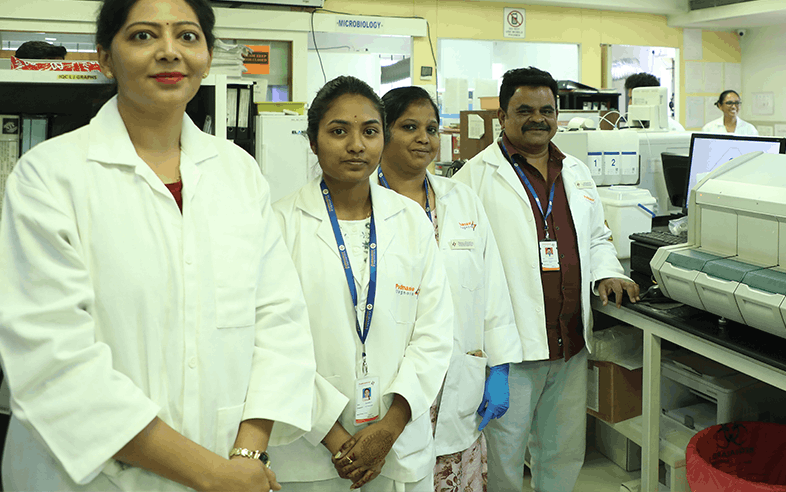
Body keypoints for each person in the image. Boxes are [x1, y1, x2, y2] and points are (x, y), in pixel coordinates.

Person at [0, 0, 316, 492]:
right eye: (143, 35)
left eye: (188, 36)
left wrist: (246, 454)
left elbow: (279, 319)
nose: (169, 51)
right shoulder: (49, 175)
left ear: (206, 57)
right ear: (105, 58)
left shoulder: (239, 172)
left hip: (231, 463)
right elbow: (53, 359)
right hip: (93, 479)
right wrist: (212, 474)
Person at [452, 66, 641, 492]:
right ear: (502, 116)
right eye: (524, 110)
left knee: (563, 452)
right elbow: (463, 269)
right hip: (510, 351)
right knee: (503, 456)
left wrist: (608, 271)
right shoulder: (472, 180)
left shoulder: (575, 170)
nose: (537, 118)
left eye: (546, 110)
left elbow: (596, 236)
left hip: (570, 343)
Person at [270, 76, 453, 492]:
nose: (356, 145)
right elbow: (273, 342)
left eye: (370, 132)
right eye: (339, 132)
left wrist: (390, 427)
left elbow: (435, 330)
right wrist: (333, 436)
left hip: (398, 443)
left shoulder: (411, 221)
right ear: (313, 141)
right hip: (309, 449)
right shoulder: (279, 224)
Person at [377, 86, 523, 492]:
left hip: (457, 377)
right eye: (409, 127)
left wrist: (499, 367)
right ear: (382, 133)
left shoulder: (461, 199)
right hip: (394, 380)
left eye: (431, 129)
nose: (424, 138)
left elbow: (491, 287)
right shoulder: (362, 201)